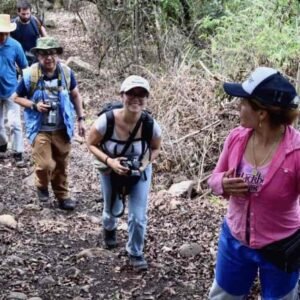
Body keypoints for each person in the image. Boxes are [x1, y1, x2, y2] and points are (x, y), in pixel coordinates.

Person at [208, 67, 300, 299]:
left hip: (281, 247)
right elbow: (214, 178)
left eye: (243, 102)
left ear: (262, 113)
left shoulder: (297, 152)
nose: (238, 107)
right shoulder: (236, 137)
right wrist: (223, 185)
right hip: (235, 242)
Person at [87, 75, 162, 271]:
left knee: (138, 217)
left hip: (140, 172)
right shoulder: (106, 121)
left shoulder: (150, 125)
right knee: (111, 211)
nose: (136, 98)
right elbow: (91, 143)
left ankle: (135, 252)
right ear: (122, 95)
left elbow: (155, 149)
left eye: (141, 94)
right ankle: (109, 229)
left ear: (147, 98)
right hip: (110, 170)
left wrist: (144, 164)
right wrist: (110, 161)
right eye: (131, 93)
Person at [13, 36, 85, 210]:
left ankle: (62, 196)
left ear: (57, 54)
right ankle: (41, 185)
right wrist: (34, 106)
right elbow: (15, 97)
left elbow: (75, 95)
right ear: (38, 56)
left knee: (61, 163)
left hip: (62, 127)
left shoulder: (66, 73)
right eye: (44, 54)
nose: (49, 58)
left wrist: (81, 119)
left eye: (52, 53)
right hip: (39, 128)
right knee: (45, 164)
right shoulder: (31, 75)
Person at [0, 14, 28, 166]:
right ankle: (2, 145)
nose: (2, 35)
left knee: (15, 123)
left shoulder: (15, 45)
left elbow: (24, 67)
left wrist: (27, 86)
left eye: (5, 32)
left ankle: (18, 152)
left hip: (12, 89)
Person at [11, 0, 47, 66]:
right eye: (23, 14)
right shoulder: (13, 25)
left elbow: (46, 38)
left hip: (36, 56)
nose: (26, 16)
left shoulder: (36, 21)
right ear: (18, 12)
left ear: (30, 11)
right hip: (21, 58)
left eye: (28, 13)